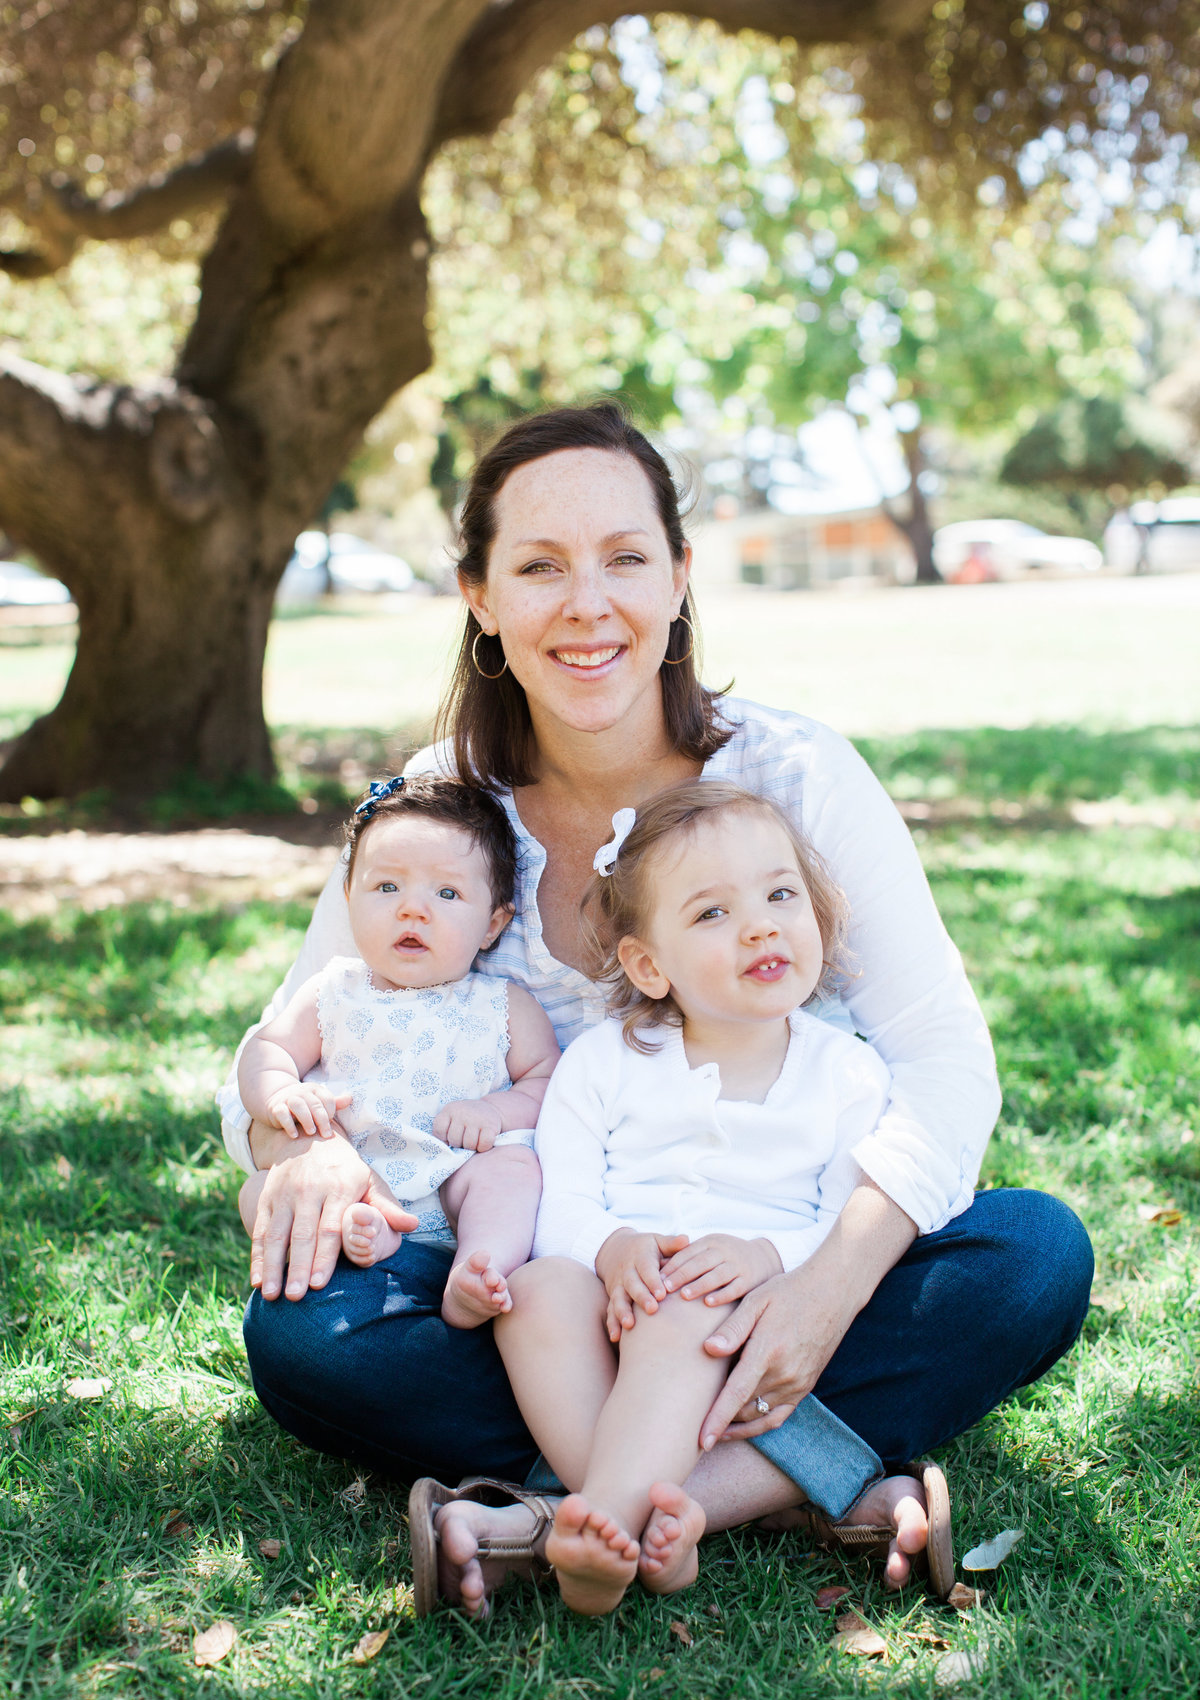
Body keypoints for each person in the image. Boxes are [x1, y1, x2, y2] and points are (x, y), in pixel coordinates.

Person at [219, 401, 1093, 1621]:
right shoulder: (434, 810)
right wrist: (292, 1150)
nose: (589, 605)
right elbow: (283, 1044)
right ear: (479, 596)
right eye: (539, 567)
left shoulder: (794, 777)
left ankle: (555, 1514)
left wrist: (820, 1290)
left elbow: (945, 1065)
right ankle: (802, 1481)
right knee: (304, 1339)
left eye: (627, 559)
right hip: (541, 1299)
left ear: (681, 578)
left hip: (772, 1266)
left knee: (1032, 1259)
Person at [486, 780, 953, 1615]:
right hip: (608, 1304)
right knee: (531, 1293)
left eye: (781, 895)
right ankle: (658, 1516)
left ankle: (593, 1527)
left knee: (684, 1305)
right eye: (712, 914)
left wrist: (766, 1258)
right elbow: (561, 1201)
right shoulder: (602, 1062)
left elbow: (844, 1223)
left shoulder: (845, 1073)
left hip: (748, 1323)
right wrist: (610, 1247)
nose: (762, 924)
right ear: (647, 965)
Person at [235, 775, 560, 1328]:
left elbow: (548, 1079)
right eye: (387, 888)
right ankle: (357, 1234)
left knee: (512, 1170)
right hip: (355, 1174)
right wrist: (281, 1094)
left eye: (447, 893)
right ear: (349, 898)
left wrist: (495, 1113)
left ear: (494, 923)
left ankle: (478, 1267)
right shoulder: (333, 991)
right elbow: (266, 1049)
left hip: (459, 1180)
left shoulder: (503, 1005)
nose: (413, 910)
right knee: (259, 1189)